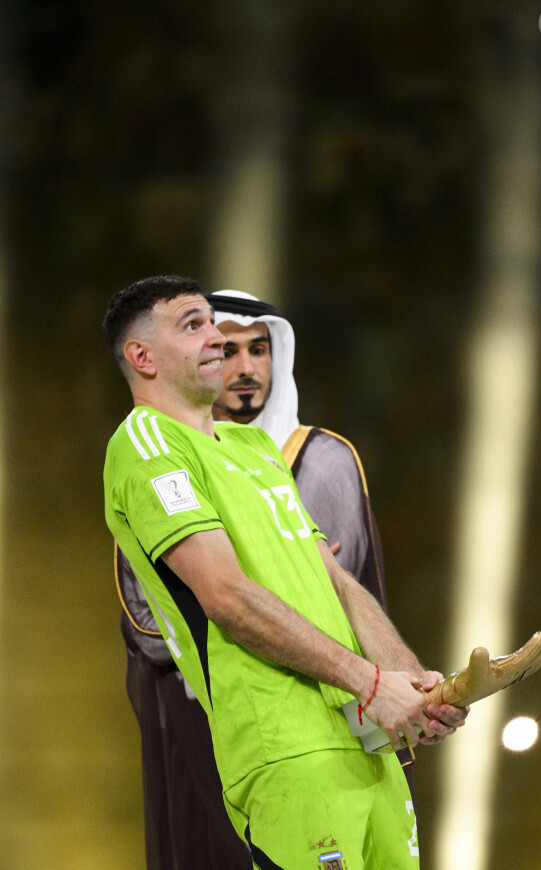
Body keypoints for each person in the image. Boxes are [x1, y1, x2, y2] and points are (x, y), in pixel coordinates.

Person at [104, 275, 468, 870]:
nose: (217, 337)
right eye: (192, 324)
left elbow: (337, 582)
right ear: (141, 356)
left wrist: (409, 680)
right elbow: (225, 596)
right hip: (286, 753)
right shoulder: (147, 445)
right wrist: (370, 684)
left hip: (363, 741)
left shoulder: (254, 450)